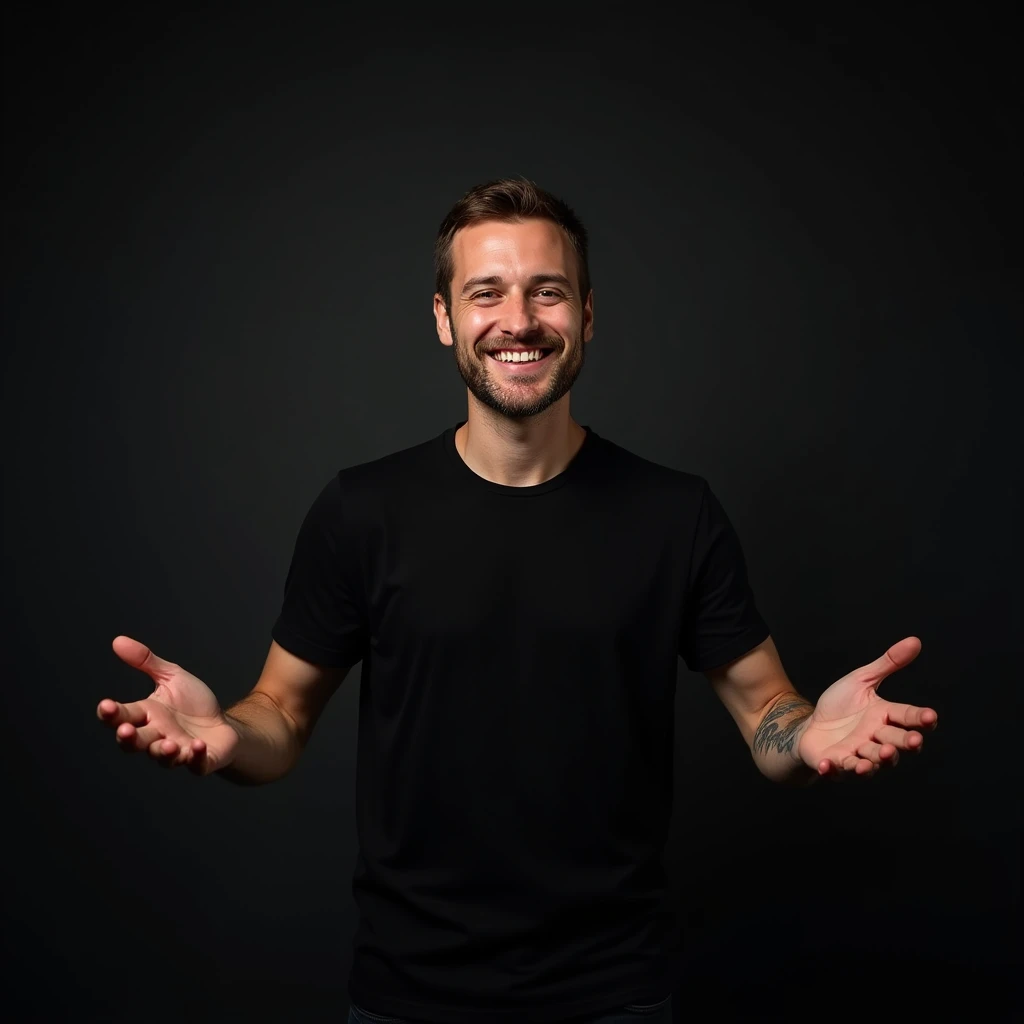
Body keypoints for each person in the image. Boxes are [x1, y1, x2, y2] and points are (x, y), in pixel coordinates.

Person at [97, 178, 939, 1024]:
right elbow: (279, 714)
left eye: (548, 290)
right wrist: (225, 734)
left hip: (616, 994)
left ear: (587, 313)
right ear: (442, 318)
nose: (520, 319)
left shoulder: (675, 514)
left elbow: (768, 716)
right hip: (409, 997)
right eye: (485, 292)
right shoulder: (362, 511)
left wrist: (810, 732)